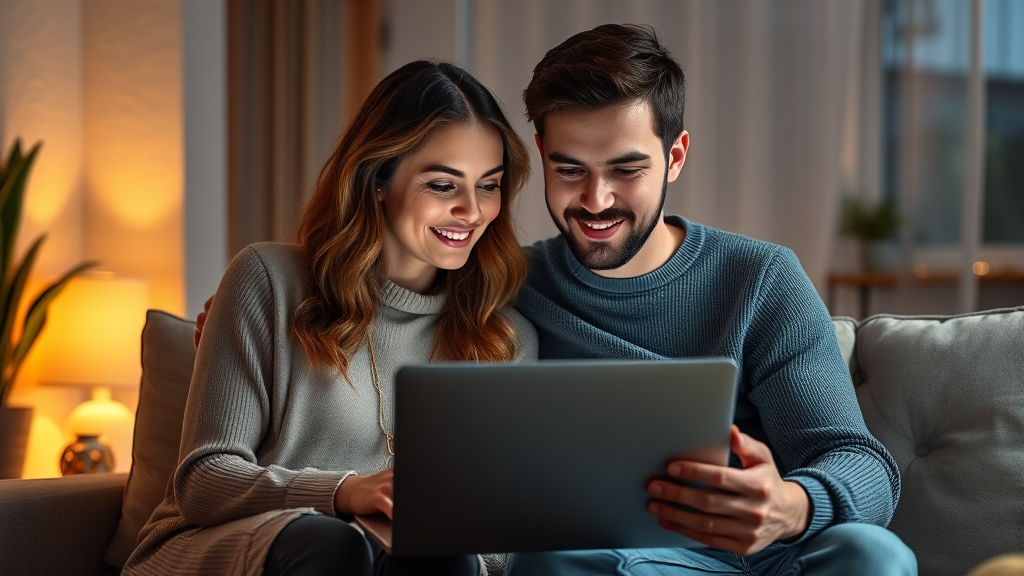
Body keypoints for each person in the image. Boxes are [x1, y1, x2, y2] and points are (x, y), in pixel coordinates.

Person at [502, 24, 916, 575]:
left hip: (770, 557)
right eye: (569, 170)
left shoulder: (759, 278)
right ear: (541, 155)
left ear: (675, 156)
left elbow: (862, 463)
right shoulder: (513, 283)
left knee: (875, 554)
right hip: (625, 559)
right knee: (553, 558)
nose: (596, 200)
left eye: (626, 170)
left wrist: (790, 506)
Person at [124, 60, 537, 576]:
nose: (472, 211)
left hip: (389, 563)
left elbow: (499, 543)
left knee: (444, 559)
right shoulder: (268, 279)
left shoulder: (505, 340)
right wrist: (344, 492)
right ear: (378, 178)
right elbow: (203, 482)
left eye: (489, 185)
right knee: (330, 546)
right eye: (442, 185)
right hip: (237, 548)